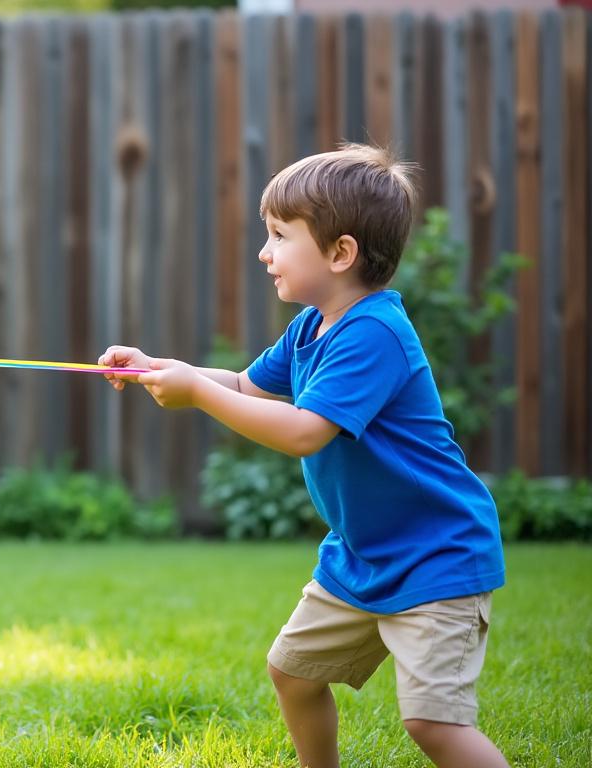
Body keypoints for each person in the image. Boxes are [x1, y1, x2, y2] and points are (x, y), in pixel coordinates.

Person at [99, 143, 508, 768]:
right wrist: (168, 369)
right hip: (363, 555)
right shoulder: (312, 325)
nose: (265, 252)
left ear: (340, 253)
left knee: (433, 722)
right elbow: (246, 386)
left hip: (435, 556)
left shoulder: (373, 333)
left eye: (280, 236)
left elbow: (302, 432)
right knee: (293, 673)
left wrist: (197, 395)